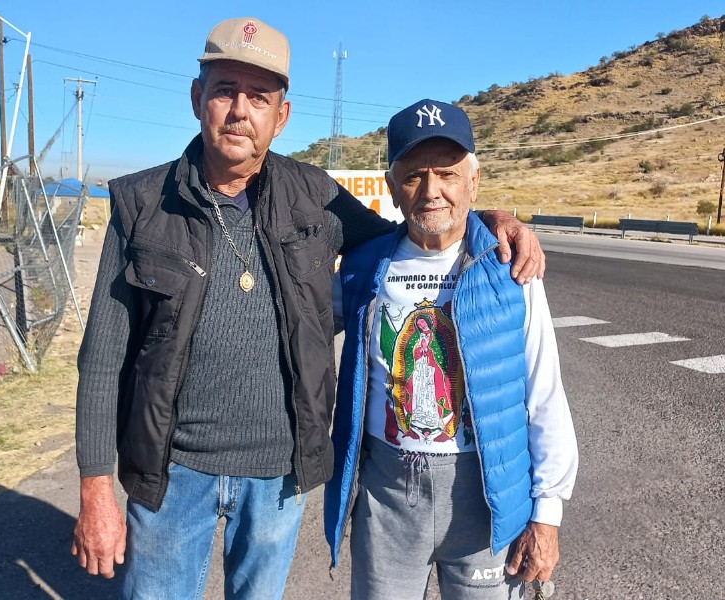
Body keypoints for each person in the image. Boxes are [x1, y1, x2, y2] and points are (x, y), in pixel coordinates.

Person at [70, 16, 546, 599]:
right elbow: (101, 359)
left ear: (282, 115)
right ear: (197, 98)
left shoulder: (315, 194)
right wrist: (96, 493)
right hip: (170, 474)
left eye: (259, 97)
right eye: (224, 90)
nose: (240, 110)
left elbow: (419, 229)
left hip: (279, 476)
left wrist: (491, 222)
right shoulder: (141, 203)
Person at [324, 99, 578, 599]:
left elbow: (544, 391)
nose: (432, 190)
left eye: (447, 174)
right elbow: (297, 329)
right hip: (387, 494)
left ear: (473, 182)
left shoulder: (509, 266)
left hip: (483, 498)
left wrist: (547, 514)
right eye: (415, 175)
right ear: (393, 186)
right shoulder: (360, 268)